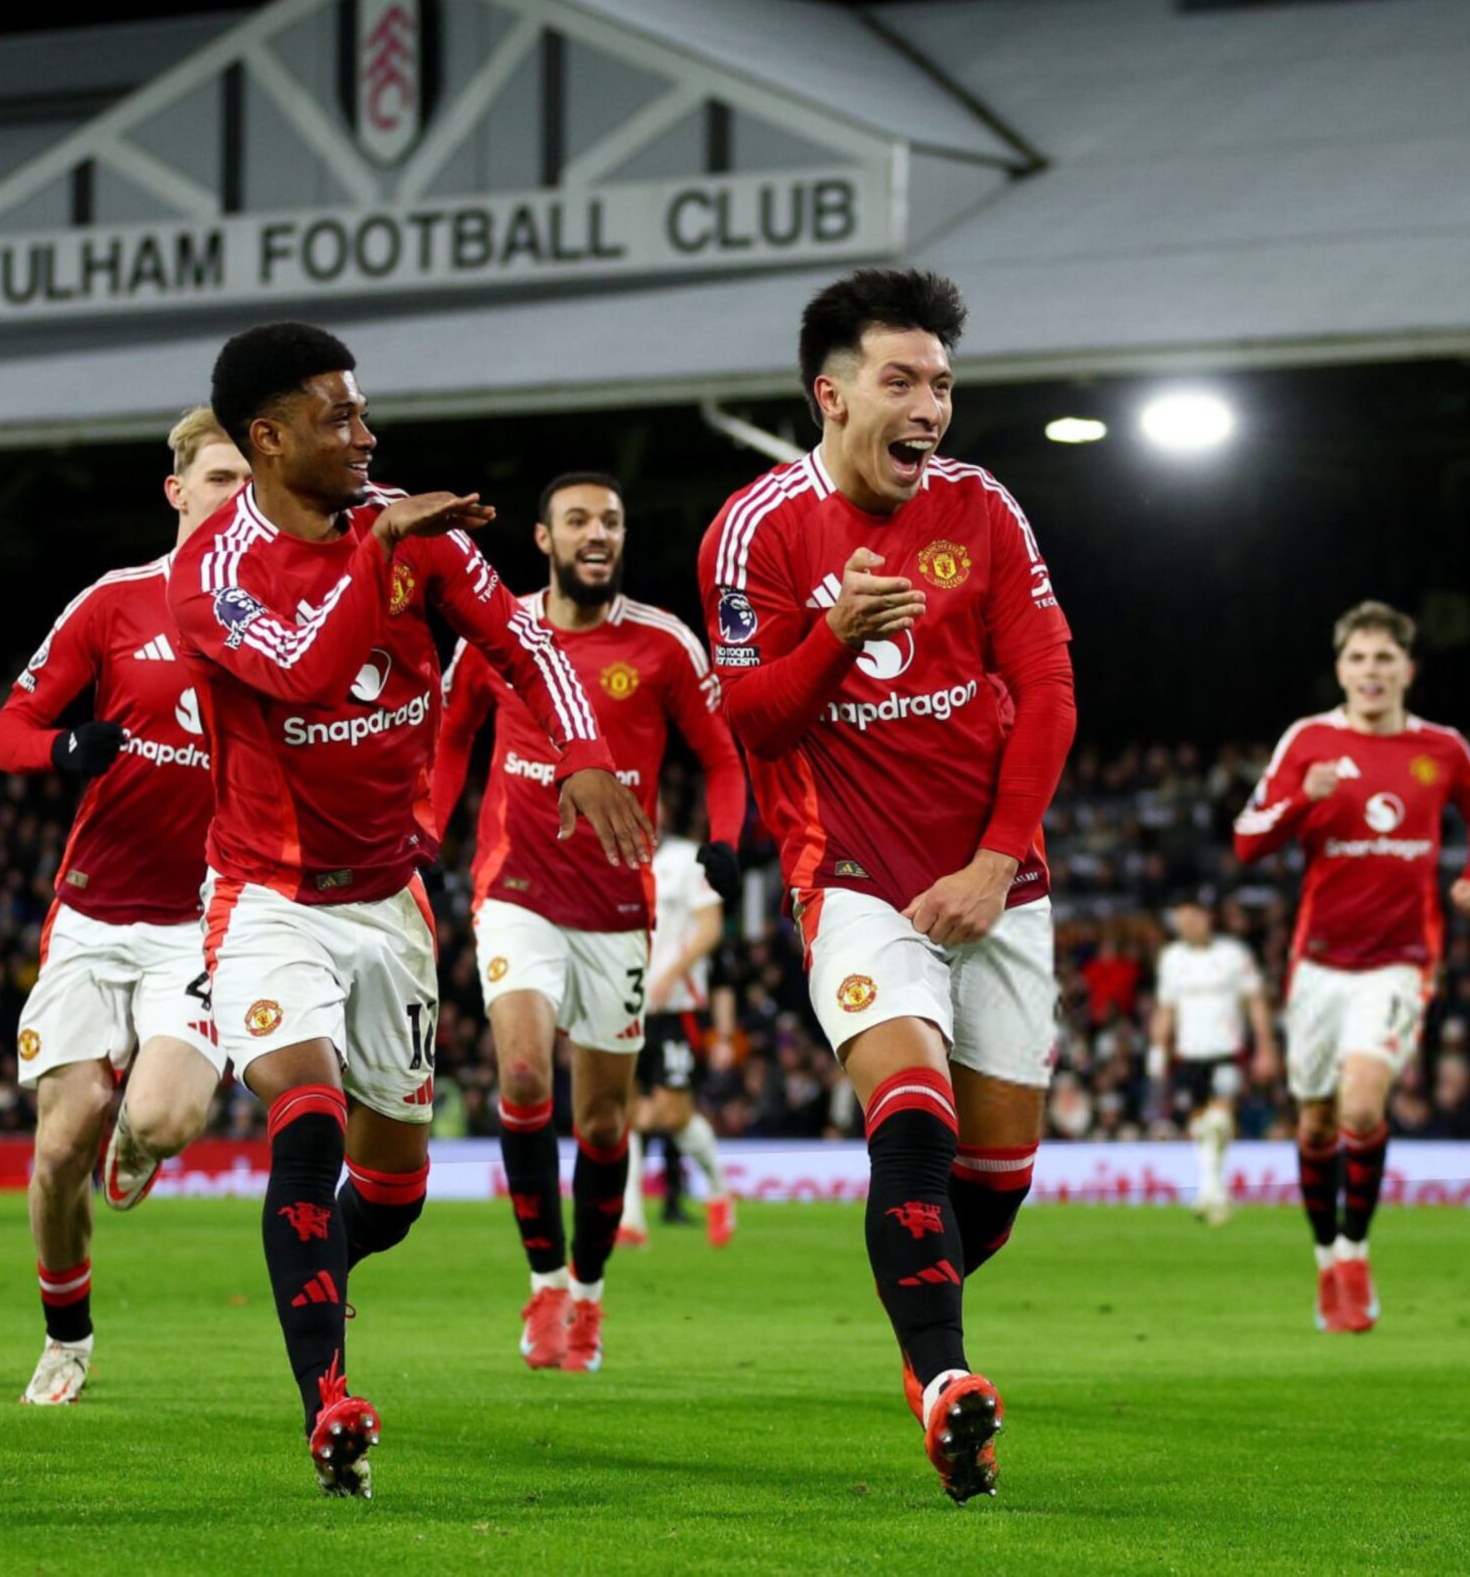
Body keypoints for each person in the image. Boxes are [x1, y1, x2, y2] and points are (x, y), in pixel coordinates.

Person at [171, 320, 648, 1497]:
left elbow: (522, 642)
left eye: (363, 410)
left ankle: (315, 1260)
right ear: (270, 438)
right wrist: (376, 545)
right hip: (267, 898)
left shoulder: (410, 531)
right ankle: (330, 1405)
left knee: (389, 1194)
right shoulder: (213, 575)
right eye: (338, 417)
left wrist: (581, 748)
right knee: (309, 1118)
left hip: (390, 901)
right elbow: (300, 674)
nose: (366, 433)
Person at [697, 268, 1076, 1502]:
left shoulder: (985, 507)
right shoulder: (755, 529)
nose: (932, 407)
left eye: (944, 385)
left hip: (997, 883)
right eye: (902, 380)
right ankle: (946, 1384)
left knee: (997, 1189)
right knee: (911, 1115)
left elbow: (1049, 690)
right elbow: (751, 721)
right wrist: (831, 640)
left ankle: (926, 1336)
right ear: (832, 392)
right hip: (851, 875)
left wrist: (994, 857)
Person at [428, 472, 746, 1373]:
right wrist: (426, 833)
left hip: (615, 908)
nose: (596, 532)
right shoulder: (500, 636)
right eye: (578, 520)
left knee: (606, 1125)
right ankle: (542, 1289)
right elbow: (452, 743)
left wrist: (724, 841)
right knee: (525, 1075)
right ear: (544, 538)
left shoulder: (661, 644)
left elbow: (722, 757)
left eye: (610, 519)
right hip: (516, 893)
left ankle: (590, 1294)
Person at [0, 408, 250, 1406]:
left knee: (166, 1117)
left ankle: (135, 1143)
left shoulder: (285, 617)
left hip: (204, 916)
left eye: (249, 482)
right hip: (95, 915)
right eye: (219, 479)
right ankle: (66, 1336)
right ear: (177, 490)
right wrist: (64, 748)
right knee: (57, 1147)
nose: (237, 498)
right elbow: (8, 728)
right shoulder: (114, 602)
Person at [1233, 601, 1470, 1333]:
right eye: (1359, 659)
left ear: (1408, 669)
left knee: (1360, 1107)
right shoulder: (1310, 740)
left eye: (1386, 659)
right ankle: (1325, 1260)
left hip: (1401, 959)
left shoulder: (1440, 748)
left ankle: (1356, 1253)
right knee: (1316, 1123)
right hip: (1318, 963)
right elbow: (1246, 841)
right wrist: (1300, 796)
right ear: (1341, 669)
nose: (1372, 672)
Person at [617, 824, 738, 1249]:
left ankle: (720, 1190)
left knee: (671, 1114)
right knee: (625, 1111)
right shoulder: (615, 854)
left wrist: (669, 973)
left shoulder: (688, 858)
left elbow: (710, 927)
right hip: (627, 1005)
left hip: (676, 1008)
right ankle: (630, 1219)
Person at [1149, 896, 1275, 1223]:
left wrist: (1265, 1048)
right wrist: (1157, 1049)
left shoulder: (1233, 955)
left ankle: (1210, 1192)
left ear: (1207, 918)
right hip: (1189, 1054)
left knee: (1219, 1121)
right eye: (1181, 919)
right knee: (1200, 1126)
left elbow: (1255, 1003)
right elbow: (1166, 1008)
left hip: (1227, 1051)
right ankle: (1213, 1190)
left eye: (1192, 917)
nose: (1187, 924)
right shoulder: (1172, 959)